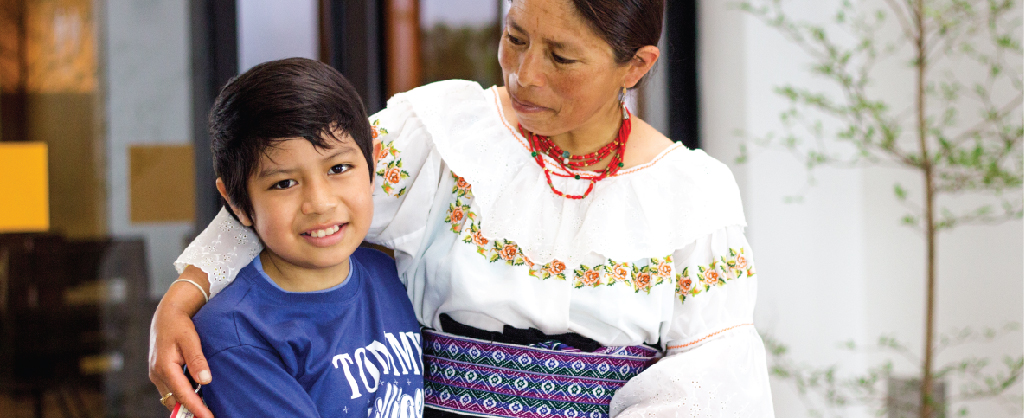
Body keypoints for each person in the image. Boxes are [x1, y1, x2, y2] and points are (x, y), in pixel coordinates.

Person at [151, 0, 775, 416]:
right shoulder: (442, 135)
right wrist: (182, 300)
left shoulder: (694, 195)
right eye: (514, 38)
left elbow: (711, 384)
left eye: (560, 57)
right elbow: (302, 201)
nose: (524, 74)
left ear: (636, 66)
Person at [177, 58, 423, 417]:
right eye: (284, 183)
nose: (320, 203)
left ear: (372, 163)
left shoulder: (386, 274)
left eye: (339, 168)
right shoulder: (235, 336)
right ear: (236, 202)